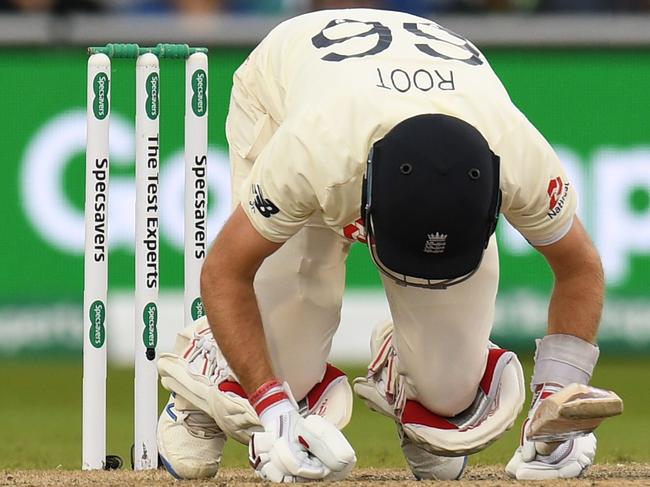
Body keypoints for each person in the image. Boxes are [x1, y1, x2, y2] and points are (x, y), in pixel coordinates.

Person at [155, 7, 617, 482]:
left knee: (453, 402)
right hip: (289, 89)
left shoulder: (516, 152)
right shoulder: (311, 151)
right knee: (283, 375)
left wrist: (558, 399)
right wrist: (273, 409)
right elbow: (226, 273)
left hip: (406, 90)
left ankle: (405, 369)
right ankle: (206, 368)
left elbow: (579, 266)